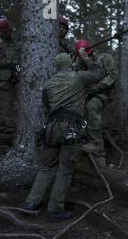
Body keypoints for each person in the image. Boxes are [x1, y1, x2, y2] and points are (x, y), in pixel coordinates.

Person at [23, 51, 103, 222]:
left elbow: (46, 104)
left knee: (46, 168)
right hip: (70, 128)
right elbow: (99, 74)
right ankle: (55, 210)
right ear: (70, 64)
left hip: (50, 128)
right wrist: (85, 58)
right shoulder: (78, 77)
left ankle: (31, 203)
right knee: (65, 169)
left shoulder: (49, 83)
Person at [73, 39, 118, 166]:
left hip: (102, 94)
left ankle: (98, 153)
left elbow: (113, 76)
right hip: (83, 95)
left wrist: (98, 87)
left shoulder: (104, 58)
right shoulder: (78, 63)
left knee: (91, 106)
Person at [0, 17, 21, 131]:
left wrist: (19, 73)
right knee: (5, 100)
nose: (7, 33)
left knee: (20, 98)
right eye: (4, 31)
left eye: (8, 30)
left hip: (16, 74)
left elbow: (24, 59)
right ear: (1, 32)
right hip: (1, 76)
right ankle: (5, 123)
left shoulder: (18, 45)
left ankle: (15, 123)